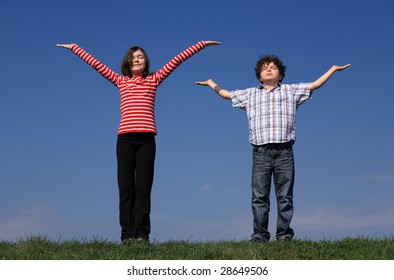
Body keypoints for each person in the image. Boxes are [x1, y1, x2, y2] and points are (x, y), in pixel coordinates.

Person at [57, 40, 220, 243]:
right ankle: (127, 235)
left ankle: (142, 234)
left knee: (143, 187)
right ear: (127, 62)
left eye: (140, 56)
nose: (136, 59)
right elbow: (96, 64)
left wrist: (201, 44)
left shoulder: (155, 79)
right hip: (125, 140)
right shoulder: (120, 80)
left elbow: (178, 59)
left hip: (146, 140)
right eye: (133, 57)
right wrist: (75, 48)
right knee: (126, 187)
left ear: (146, 62)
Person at [196, 55, 350, 242]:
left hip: (285, 152)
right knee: (259, 197)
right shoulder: (250, 94)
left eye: (273, 67)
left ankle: (284, 235)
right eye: (264, 68)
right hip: (260, 152)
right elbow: (226, 94)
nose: (269, 69)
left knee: (285, 196)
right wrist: (212, 83)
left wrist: (332, 69)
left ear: (281, 75)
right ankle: (260, 235)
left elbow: (314, 85)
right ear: (259, 76)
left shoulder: (290, 91)